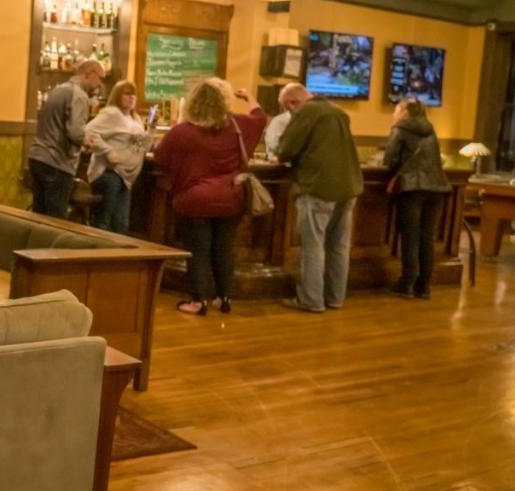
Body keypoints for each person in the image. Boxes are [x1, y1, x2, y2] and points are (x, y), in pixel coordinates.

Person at [153, 78, 266, 315]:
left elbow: (160, 157)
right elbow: (260, 118)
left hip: (194, 199)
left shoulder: (182, 132)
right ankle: (223, 298)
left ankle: (198, 300)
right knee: (224, 249)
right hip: (231, 198)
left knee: (198, 251)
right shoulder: (238, 125)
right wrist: (249, 98)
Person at [275, 82, 363, 313]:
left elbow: (285, 149)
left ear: (293, 102)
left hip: (319, 186)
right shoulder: (337, 111)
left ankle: (311, 300)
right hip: (349, 187)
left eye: (288, 109)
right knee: (338, 247)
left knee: (313, 246)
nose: (290, 114)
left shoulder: (307, 111)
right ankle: (335, 298)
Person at [384, 98, 451, 298]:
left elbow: (390, 159)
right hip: (436, 187)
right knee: (427, 238)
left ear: (404, 111)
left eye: (396, 109)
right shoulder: (431, 130)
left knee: (410, 238)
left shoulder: (400, 128)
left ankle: (407, 283)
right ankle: (424, 286)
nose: (394, 114)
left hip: (412, 188)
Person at [28, 58, 105, 218]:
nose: (100, 85)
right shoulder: (79, 96)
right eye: (100, 78)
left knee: (38, 217)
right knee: (55, 220)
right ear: (89, 74)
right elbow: (75, 133)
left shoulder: (58, 90)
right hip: (57, 162)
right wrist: (87, 141)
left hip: (37, 156)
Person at [84, 80, 156, 234]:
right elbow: (88, 131)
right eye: (127, 94)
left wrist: (151, 129)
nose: (131, 98)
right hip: (109, 174)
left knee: (121, 225)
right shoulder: (111, 113)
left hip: (127, 179)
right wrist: (107, 150)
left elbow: (143, 147)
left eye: (134, 95)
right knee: (103, 223)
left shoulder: (135, 119)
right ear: (118, 96)